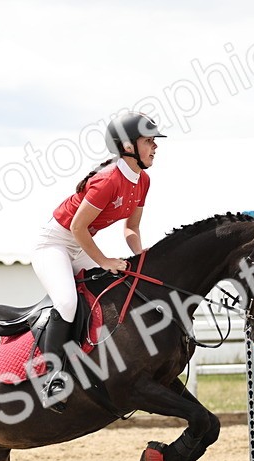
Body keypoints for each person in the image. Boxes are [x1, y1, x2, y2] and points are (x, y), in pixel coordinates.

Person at [31, 112, 165, 411]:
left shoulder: (142, 180)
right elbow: (77, 227)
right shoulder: (107, 180)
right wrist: (104, 260)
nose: (155, 147)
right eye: (149, 141)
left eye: (155, 141)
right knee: (66, 302)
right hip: (54, 244)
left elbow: (131, 228)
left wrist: (141, 258)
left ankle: (87, 366)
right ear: (128, 146)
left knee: (106, 294)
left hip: (79, 245)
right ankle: (51, 378)